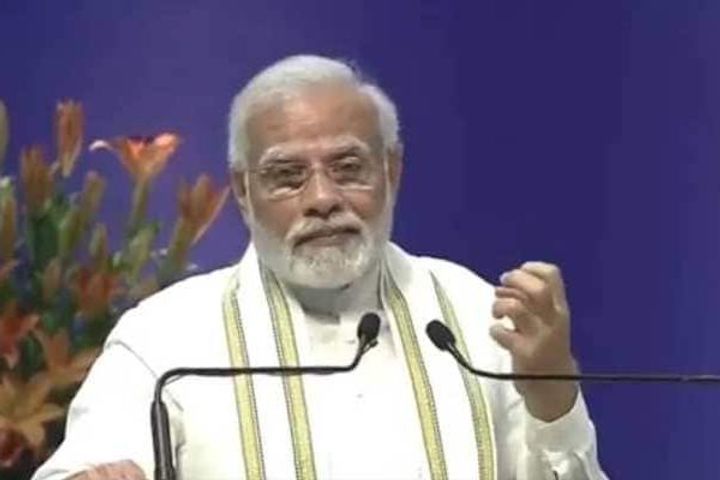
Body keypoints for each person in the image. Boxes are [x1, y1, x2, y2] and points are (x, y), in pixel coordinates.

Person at [33, 55, 608, 480]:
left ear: (392, 172)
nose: (323, 199)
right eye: (287, 177)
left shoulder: (476, 317)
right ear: (243, 192)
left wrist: (552, 395)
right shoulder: (164, 339)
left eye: (348, 168)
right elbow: (86, 463)